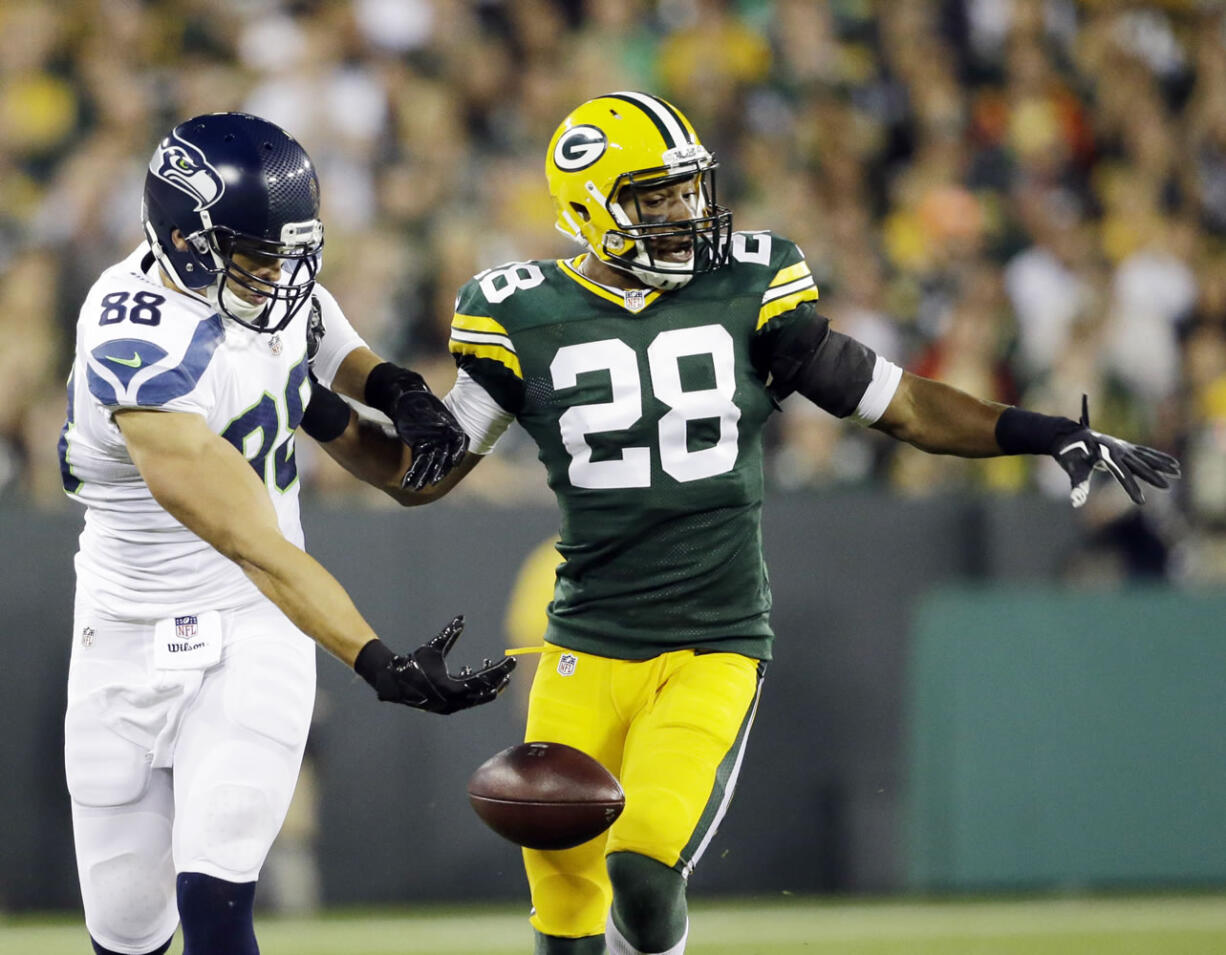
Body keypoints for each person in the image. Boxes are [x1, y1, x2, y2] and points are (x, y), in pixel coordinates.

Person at [387, 92, 1180, 955]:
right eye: (654, 199)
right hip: (584, 643)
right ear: (588, 209)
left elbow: (902, 404)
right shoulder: (517, 312)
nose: (684, 214)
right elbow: (422, 472)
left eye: (687, 191)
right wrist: (315, 404)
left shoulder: (749, 287)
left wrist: (1045, 430)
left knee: (645, 868)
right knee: (564, 886)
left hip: (711, 643)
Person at [58, 111, 515, 955]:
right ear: (187, 238)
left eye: (290, 253)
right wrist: (377, 659)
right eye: (260, 257)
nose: (283, 277)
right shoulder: (136, 337)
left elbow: (339, 372)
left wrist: (403, 389)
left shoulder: (274, 290)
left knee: (217, 897)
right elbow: (256, 541)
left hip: (249, 630)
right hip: (124, 637)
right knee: (123, 933)